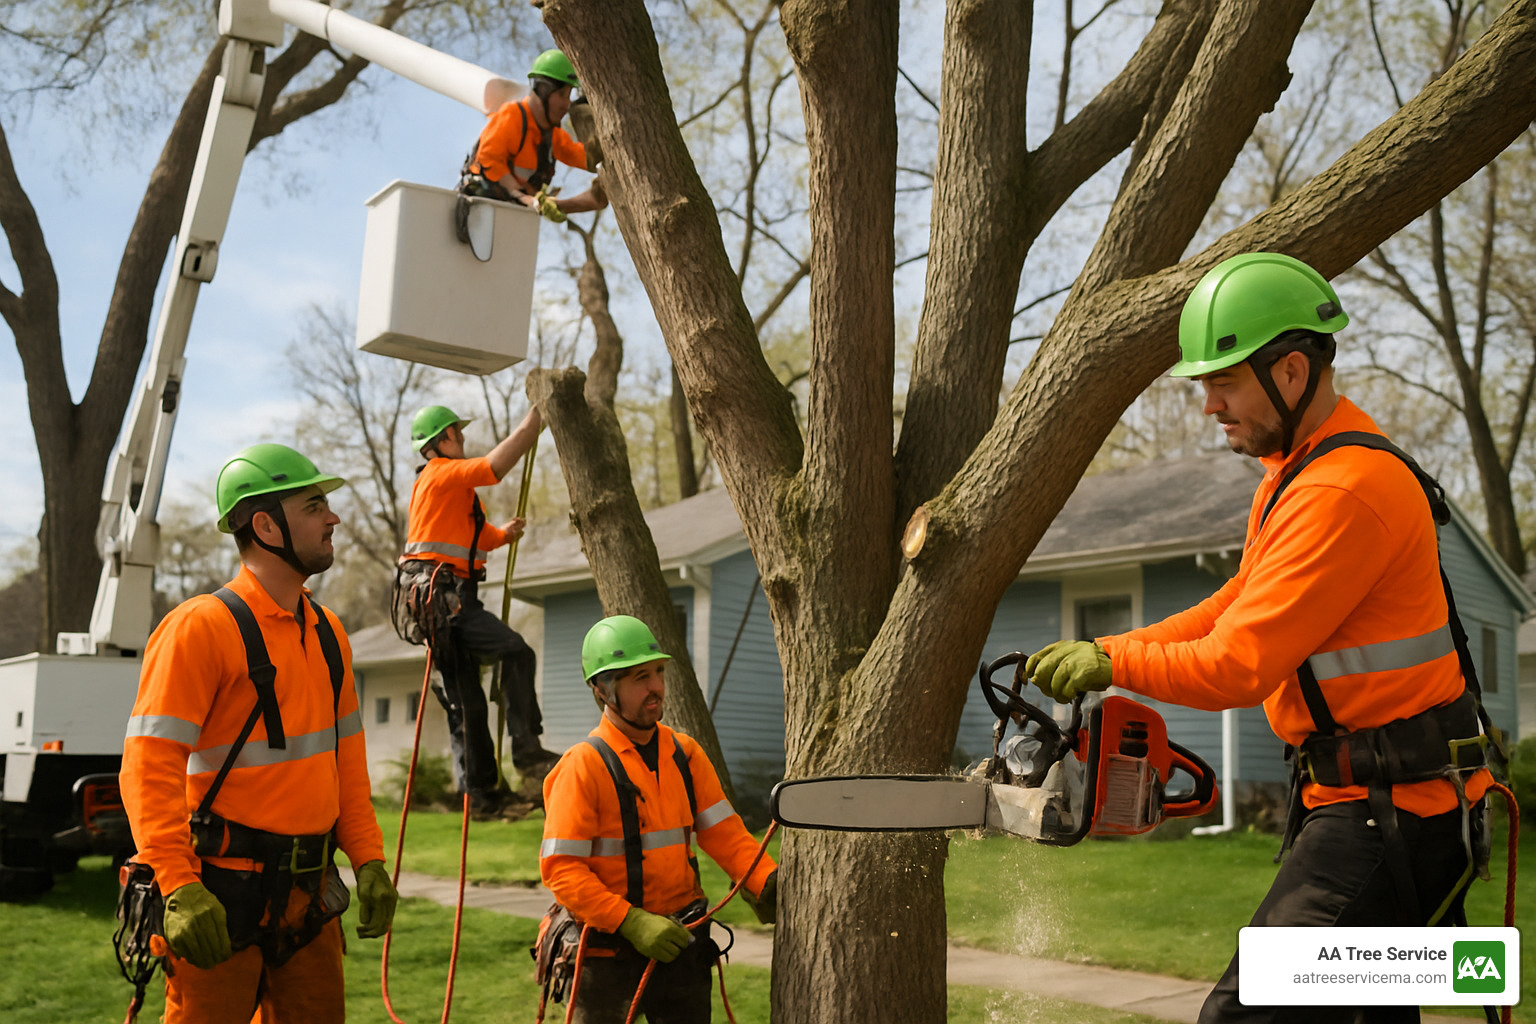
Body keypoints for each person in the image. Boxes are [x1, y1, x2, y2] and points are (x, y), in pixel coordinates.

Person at [1024, 253, 1496, 1024]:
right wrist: (1112, 647)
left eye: (1224, 381)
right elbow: (1234, 604)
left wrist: (1114, 661)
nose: (1208, 405)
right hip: (1370, 799)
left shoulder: (1342, 490)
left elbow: (1240, 664)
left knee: (1244, 1016)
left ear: (1291, 371)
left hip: (1389, 812)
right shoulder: (1298, 475)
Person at [120, 444, 397, 1023]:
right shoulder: (201, 628)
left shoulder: (328, 634)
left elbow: (346, 764)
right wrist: (177, 886)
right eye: (315, 504)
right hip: (217, 895)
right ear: (266, 525)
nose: (334, 517)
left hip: (308, 900)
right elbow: (150, 768)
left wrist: (368, 858)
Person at [540, 615, 779, 1023]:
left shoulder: (685, 755)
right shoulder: (583, 766)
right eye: (639, 678)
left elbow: (726, 836)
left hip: (681, 945)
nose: (655, 687)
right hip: (607, 953)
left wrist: (768, 884)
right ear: (602, 690)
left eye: (658, 673)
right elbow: (562, 870)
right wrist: (630, 921)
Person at [401, 403, 554, 814]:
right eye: (458, 434)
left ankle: (483, 797)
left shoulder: (448, 488)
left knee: (466, 702)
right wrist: (532, 424)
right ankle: (527, 751)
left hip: (447, 600)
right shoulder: (439, 474)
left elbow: (473, 537)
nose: (464, 440)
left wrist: (501, 535)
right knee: (516, 651)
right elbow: (493, 467)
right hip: (444, 599)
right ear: (440, 441)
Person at [460, 48, 605, 223]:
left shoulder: (553, 137)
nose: (566, 105)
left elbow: (587, 158)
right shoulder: (512, 117)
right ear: (543, 90)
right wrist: (525, 198)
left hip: (510, 217)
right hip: (477, 209)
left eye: (568, 96)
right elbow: (489, 160)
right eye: (562, 95)